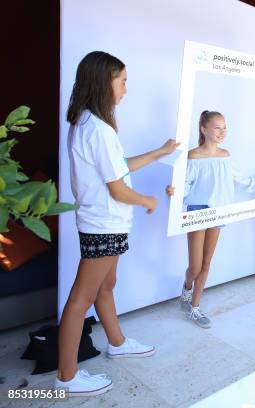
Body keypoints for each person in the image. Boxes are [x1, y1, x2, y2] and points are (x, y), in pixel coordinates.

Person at [56, 51, 179, 396]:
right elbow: (118, 187)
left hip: (103, 223)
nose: (126, 88)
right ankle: (65, 377)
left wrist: (158, 151)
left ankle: (117, 342)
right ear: (103, 82)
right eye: (122, 81)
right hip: (103, 223)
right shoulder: (97, 129)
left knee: (106, 285)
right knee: (82, 297)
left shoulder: (87, 123)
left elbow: (118, 166)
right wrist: (147, 201)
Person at [166, 110, 255, 327]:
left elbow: (238, 178)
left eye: (224, 127)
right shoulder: (193, 156)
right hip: (198, 211)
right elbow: (184, 186)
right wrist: (173, 192)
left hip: (219, 211)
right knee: (195, 267)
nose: (222, 131)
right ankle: (187, 288)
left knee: (206, 263)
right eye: (217, 127)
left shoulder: (225, 155)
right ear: (204, 129)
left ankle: (195, 307)